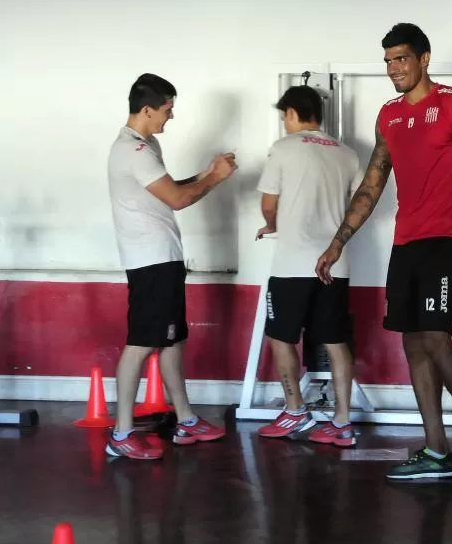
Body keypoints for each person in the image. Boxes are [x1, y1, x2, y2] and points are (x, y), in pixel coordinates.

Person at [316, 23, 452, 492]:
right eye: (388, 61)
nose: (394, 68)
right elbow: (373, 184)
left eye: (401, 58)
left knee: (436, 340)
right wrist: (340, 240)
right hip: (407, 242)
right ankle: (436, 449)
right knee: (413, 345)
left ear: (424, 58)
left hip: (448, 239)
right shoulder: (389, 116)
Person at [105, 72, 237, 460]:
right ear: (147, 110)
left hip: (164, 257)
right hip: (150, 261)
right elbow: (178, 200)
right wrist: (215, 178)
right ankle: (122, 433)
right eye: (167, 110)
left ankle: (186, 420)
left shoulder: (145, 145)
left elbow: (169, 188)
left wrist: (207, 173)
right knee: (141, 344)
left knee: (173, 339)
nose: (171, 117)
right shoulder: (135, 151)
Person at [255, 85, 362, 447]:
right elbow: (361, 204)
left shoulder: (283, 149)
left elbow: (269, 203)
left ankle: (295, 410)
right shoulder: (347, 154)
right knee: (335, 340)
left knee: (281, 336)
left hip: (293, 263)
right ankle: (343, 421)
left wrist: (272, 223)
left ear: (290, 114)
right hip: (336, 262)